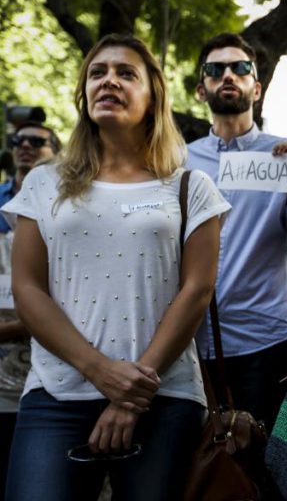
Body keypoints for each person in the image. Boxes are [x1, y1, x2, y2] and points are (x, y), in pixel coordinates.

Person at [2, 34, 230, 501]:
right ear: (84, 95)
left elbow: (197, 291)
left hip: (165, 398)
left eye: (127, 73)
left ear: (153, 97)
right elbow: (27, 288)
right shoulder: (45, 183)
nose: (109, 81)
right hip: (56, 396)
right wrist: (101, 371)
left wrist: (132, 391)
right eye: (98, 73)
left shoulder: (190, 185)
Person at [187, 32, 287, 433]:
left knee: (264, 466)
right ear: (201, 89)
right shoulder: (178, 160)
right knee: (203, 469)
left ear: (256, 87)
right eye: (215, 69)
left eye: (240, 68)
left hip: (268, 343)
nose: (228, 75)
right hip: (193, 343)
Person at [0, 122, 61, 495]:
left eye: (37, 142)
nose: (26, 147)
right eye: (18, 141)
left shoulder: (66, 208)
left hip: (46, 368)